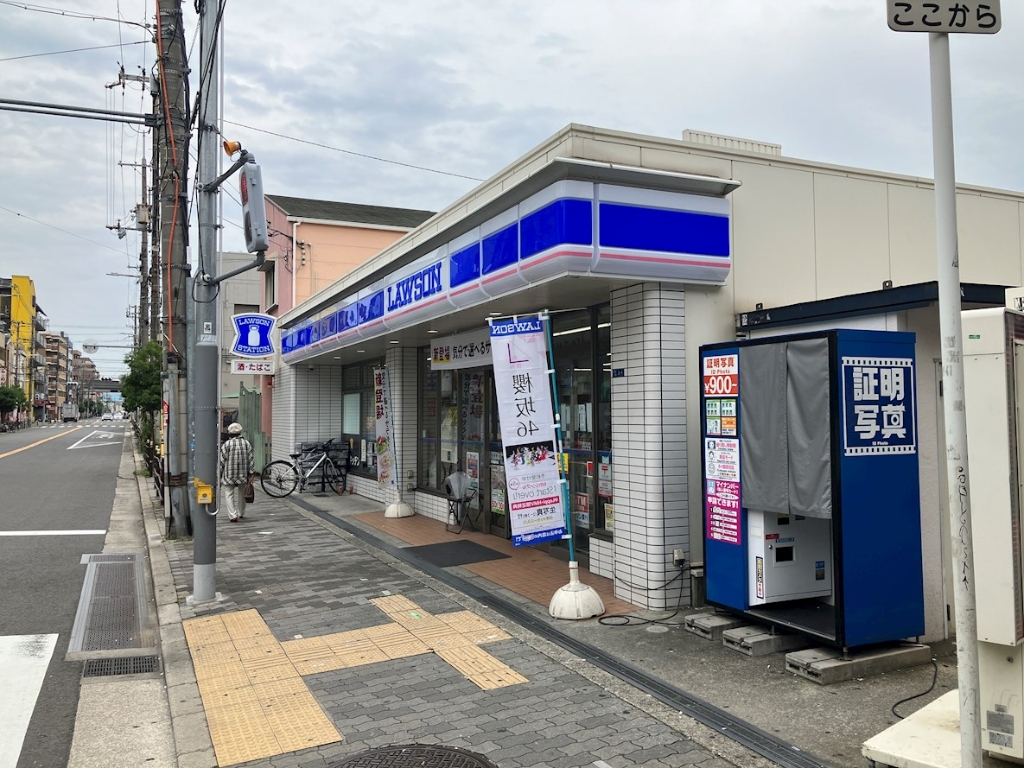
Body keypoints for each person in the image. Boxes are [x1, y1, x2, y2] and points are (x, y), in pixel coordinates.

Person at [219, 422, 255, 522]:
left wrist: (219, 474)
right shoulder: (246, 443)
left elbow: (222, 461)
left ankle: (232, 515)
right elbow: (250, 459)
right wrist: (251, 472)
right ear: (240, 432)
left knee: (228, 493)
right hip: (243, 473)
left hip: (229, 474)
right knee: (242, 493)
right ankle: (241, 513)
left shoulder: (227, 444)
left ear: (230, 433)